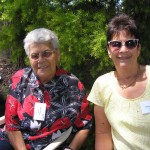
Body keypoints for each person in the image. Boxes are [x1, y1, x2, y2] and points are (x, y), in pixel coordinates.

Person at [0, 28, 92, 150]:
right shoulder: (19, 79)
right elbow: (12, 125)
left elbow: (85, 124)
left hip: (52, 145)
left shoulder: (73, 85)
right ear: (29, 59)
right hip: (15, 143)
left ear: (57, 54)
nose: (40, 60)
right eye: (34, 56)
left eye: (46, 53)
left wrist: (71, 148)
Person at [87, 13, 150, 150]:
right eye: (116, 44)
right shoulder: (101, 85)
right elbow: (103, 134)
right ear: (109, 51)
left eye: (130, 43)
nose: (123, 49)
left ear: (138, 49)